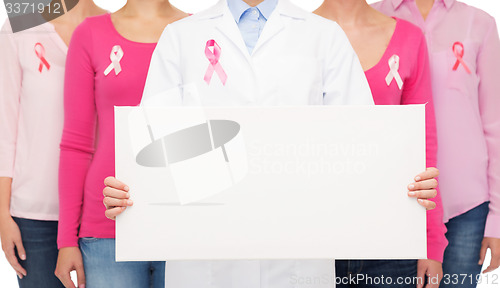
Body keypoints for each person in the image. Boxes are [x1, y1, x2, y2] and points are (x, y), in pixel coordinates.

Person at [103, 0, 440, 287]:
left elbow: (362, 147)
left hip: (299, 262)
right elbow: (152, 153)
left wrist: (404, 184)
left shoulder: (323, 37)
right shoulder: (180, 38)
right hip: (204, 262)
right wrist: (131, 192)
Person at [55, 1, 188, 287]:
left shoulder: (197, 31)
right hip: (107, 228)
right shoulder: (90, 33)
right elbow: (76, 144)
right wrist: (66, 240)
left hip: (181, 222)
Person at [314, 1, 446, 287]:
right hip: (315, 235)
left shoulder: (409, 38)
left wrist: (431, 240)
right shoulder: (293, 36)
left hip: (392, 235)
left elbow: (424, 141)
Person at [372, 0, 500, 287]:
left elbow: (495, 123)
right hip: (400, 200)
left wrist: (498, 219)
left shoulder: (480, 23)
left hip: (466, 206)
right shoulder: (376, 16)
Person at [0, 2, 106, 287]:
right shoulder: (19, 24)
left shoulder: (114, 26)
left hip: (101, 210)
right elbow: (5, 128)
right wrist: (2, 214)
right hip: (34, 214)